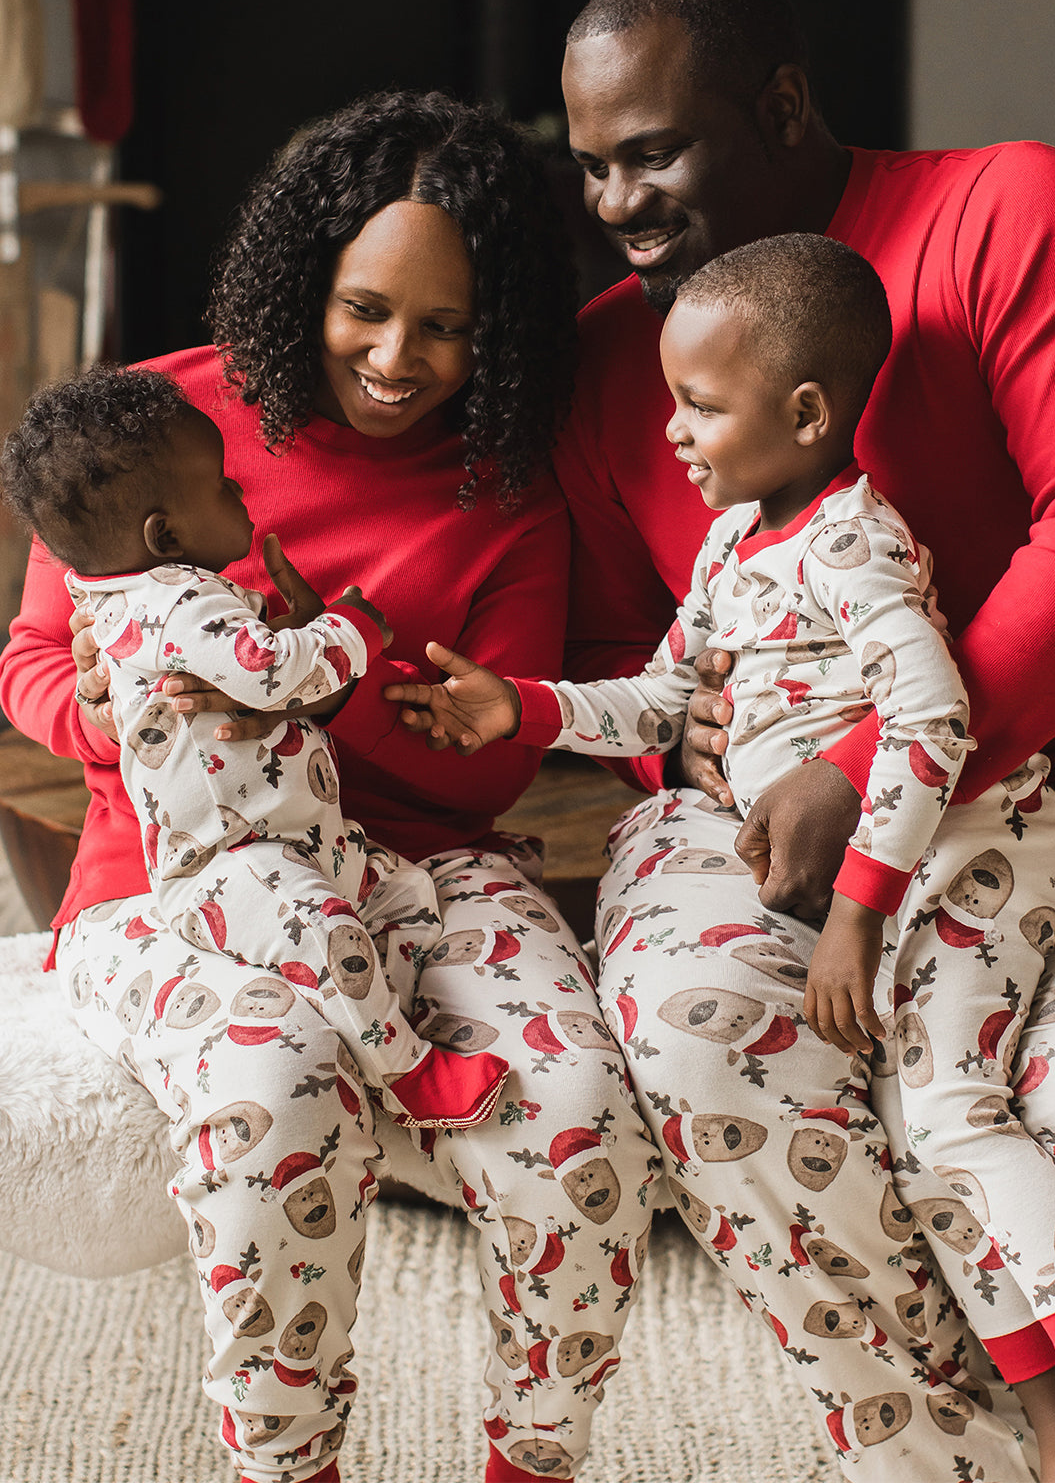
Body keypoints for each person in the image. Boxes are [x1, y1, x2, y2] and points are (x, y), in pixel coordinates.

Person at [539, 0, 1055, 1483]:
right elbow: (627, 648)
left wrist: (873, 764)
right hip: (762, 817)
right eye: (590, 169)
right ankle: (961, 1457)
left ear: (780, 106)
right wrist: (677, 736)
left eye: (652, 152)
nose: (620, 200)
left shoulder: (1005, 209)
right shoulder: (600, 367)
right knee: (708, 1048)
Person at [395, 227, 1055, 1478]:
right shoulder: (731, 546)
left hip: (966, 846)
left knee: (950, 1111)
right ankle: (1049, 1421)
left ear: (809, 410)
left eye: (700, 406)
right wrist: (528, 708)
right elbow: (667, 700)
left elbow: (936, 721)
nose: (670, 434)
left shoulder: (852, 541)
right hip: (890, 867)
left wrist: (858, 913)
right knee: (922, 1138)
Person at [0, 91, 658, 1483]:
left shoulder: (511, 491)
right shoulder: (153, 426)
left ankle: (533, 1458)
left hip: (424, 869)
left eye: (448, 325)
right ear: (306, 279)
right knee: (278, 1090)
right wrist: (100, 714)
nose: (395, 358)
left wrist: (328, 671)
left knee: (579, 1110)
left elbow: (486, 766)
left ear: (505, 332)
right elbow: (31, 657)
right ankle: (288, 1468)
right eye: (366, 308)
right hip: (177, 891)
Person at [1, 364, 510, 1131]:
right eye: (222, 486)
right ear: (163, 535)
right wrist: (355, 628)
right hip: (229, 862)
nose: (241, 494)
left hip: (294, 836)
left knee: (400, 893)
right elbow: (273, 673)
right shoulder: (174, 602)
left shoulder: (146, 595)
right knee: (328, 931)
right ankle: (409, 1073)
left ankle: (372, 984)